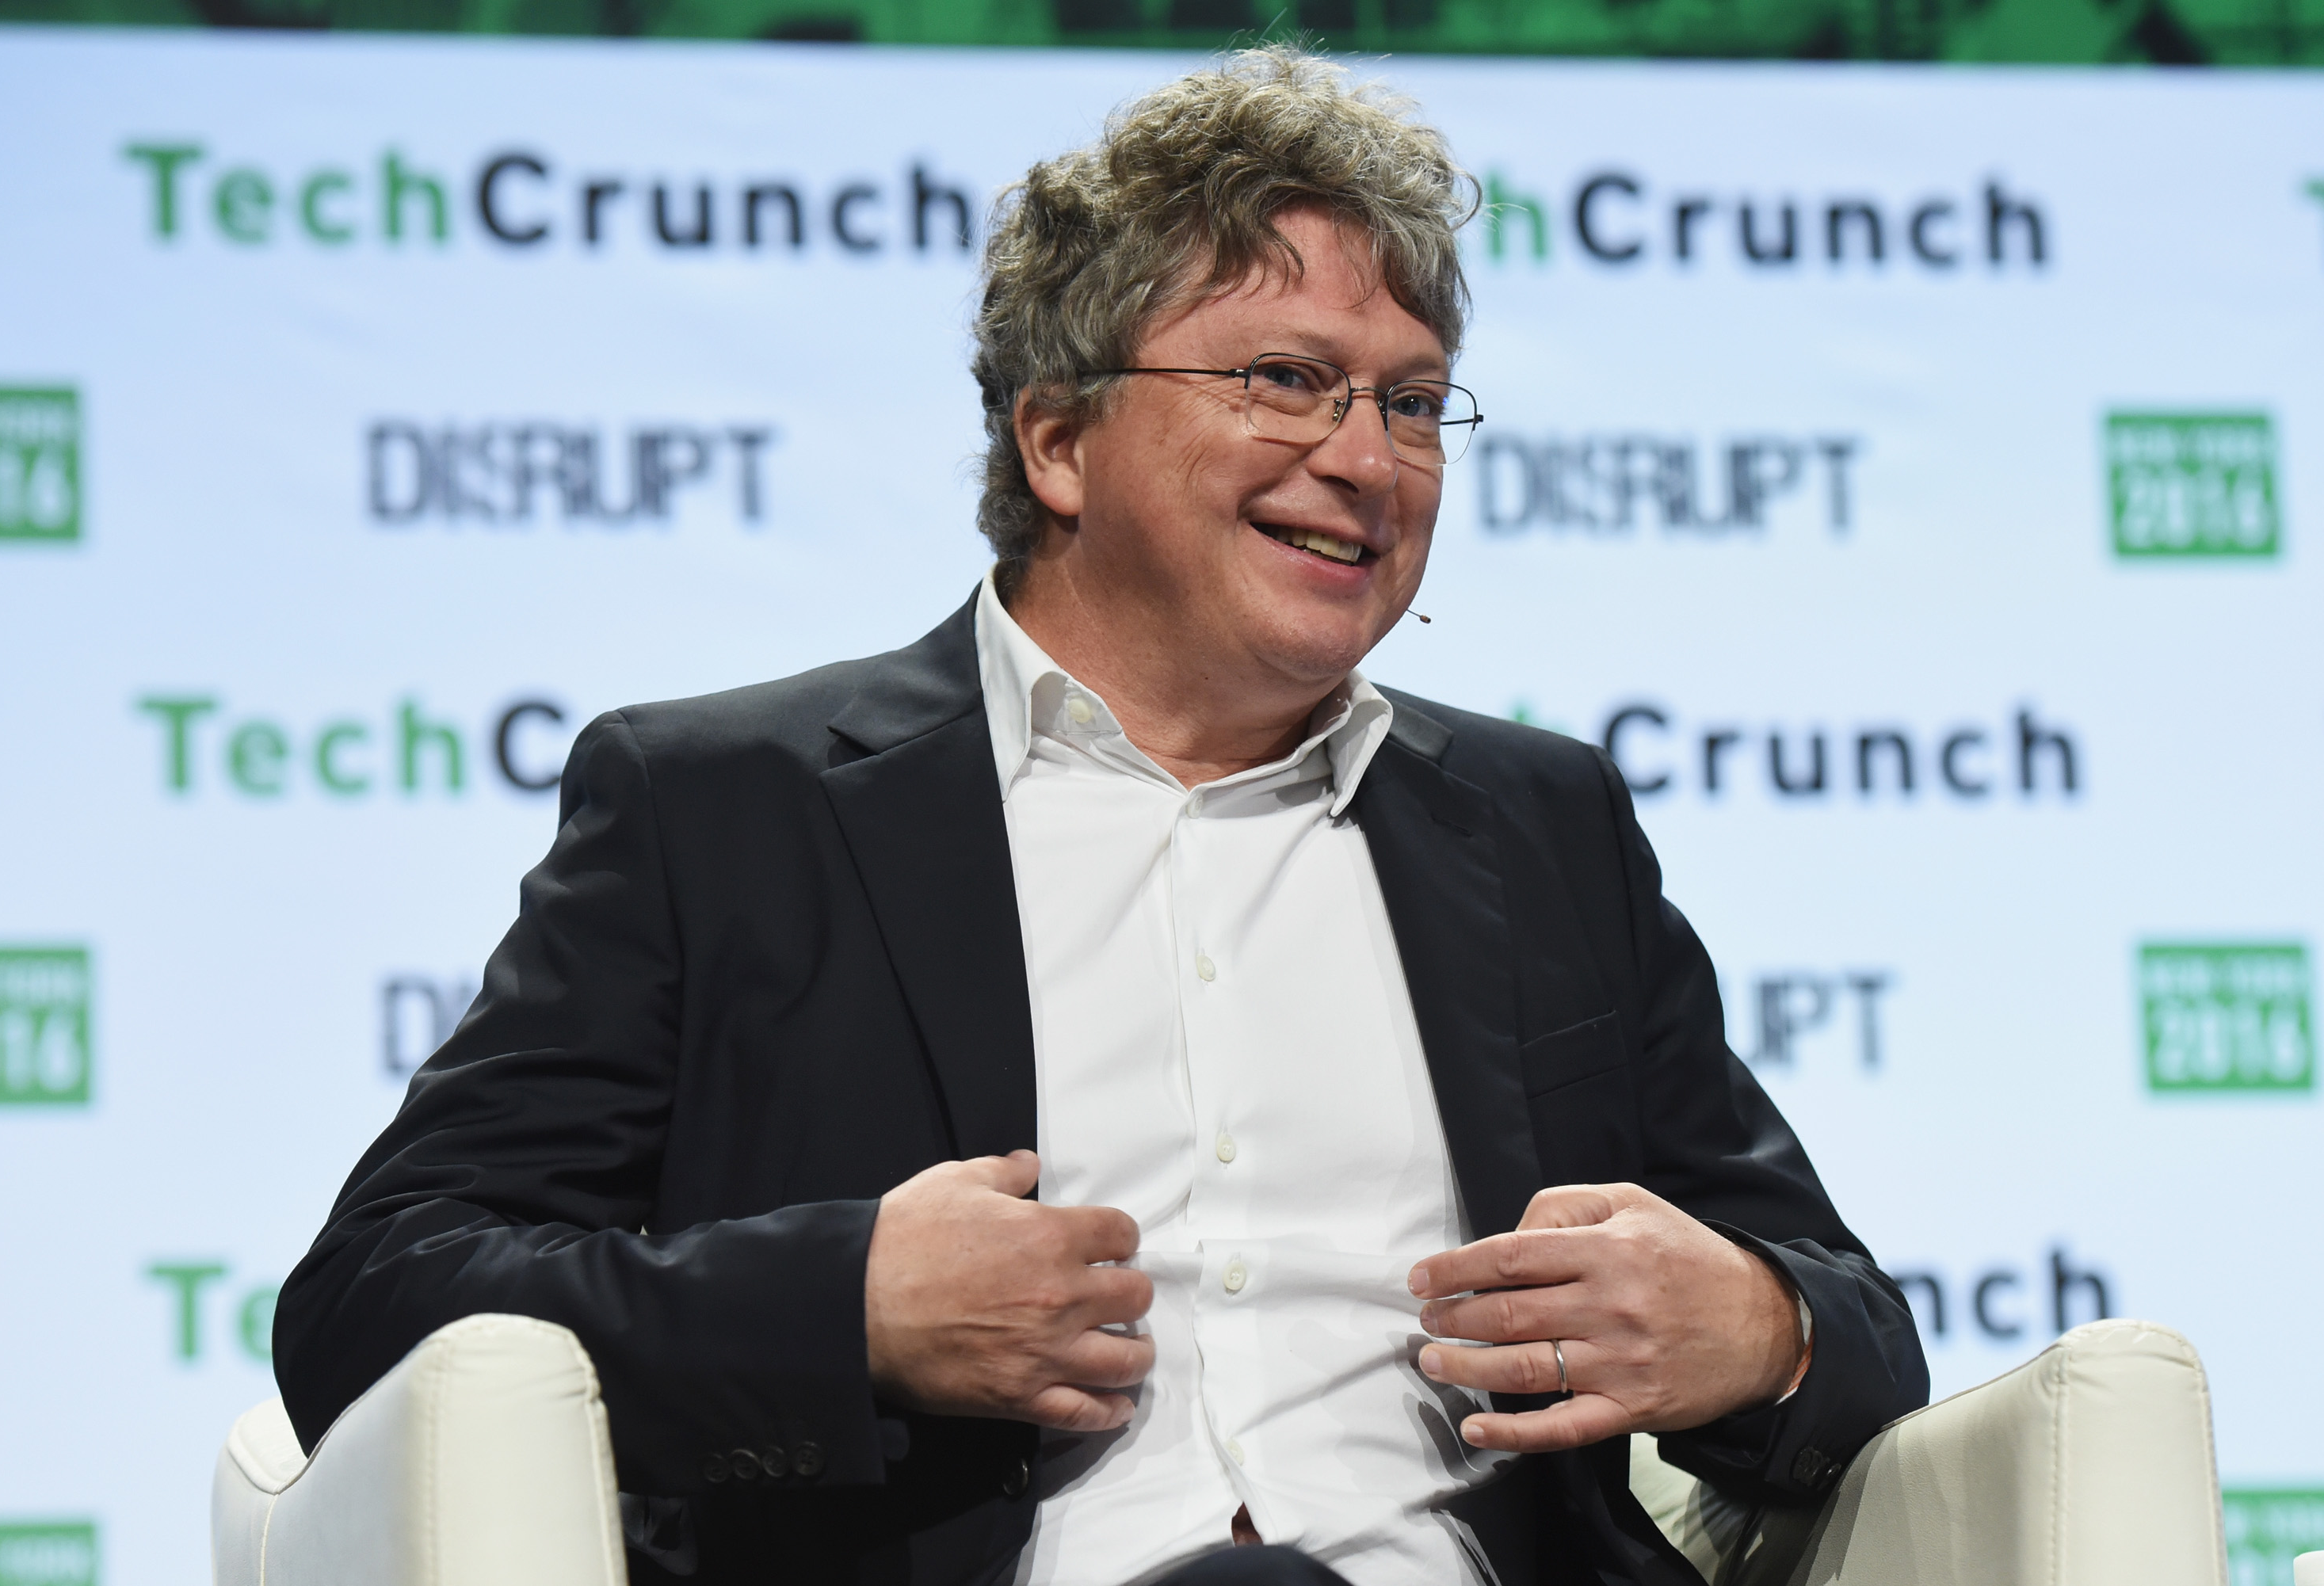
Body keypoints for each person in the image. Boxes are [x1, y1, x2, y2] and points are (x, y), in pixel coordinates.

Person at [273, 48, 1928, 1586]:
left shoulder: (1539, 825)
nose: (1371, 460)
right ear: (1059, 440)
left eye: (1415, 402)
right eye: (1289, 380)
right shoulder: (726, 811)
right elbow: (374, 1300)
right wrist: (842, 1306)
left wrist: (1760, 1330)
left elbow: (1856, 1327)